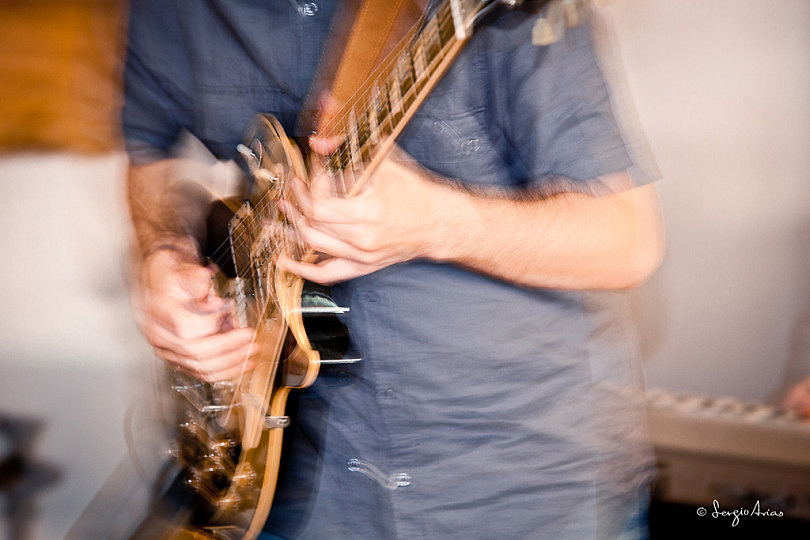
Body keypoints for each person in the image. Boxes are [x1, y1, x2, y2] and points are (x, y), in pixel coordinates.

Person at [123, 1, 665, 538]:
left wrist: (439, 221)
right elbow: (150, 153)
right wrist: (163, 252)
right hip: (298, 494)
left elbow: (627, 241)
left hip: (513, 490)